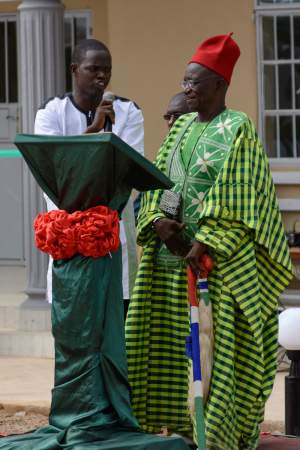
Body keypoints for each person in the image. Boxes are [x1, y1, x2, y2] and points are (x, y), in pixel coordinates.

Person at [125, 33, 293, 450]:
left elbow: (242, 193)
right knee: (170, 351)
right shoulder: (180, 125)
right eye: (185, 81)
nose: (187, 89)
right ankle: (181, 429)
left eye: (195, 82)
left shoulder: (238, 129)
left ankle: (216, 434)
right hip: (168, 262)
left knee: (211, 355)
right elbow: (161, 179)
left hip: (212, 268)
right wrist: (159, 221)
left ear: (219, 84)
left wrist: (204, 242)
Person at [34, 39, 143, 318]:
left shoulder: (128, 111)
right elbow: (53, 171)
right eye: (93, 68)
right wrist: (94, 133)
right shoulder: (51, 112)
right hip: (66, 231)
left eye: (106, 69)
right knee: (73, 325)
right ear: (74, 69)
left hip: (112, 230)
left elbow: (126, 171)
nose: (102, 76)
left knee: (115, 324)